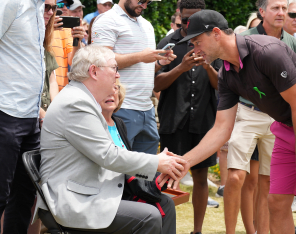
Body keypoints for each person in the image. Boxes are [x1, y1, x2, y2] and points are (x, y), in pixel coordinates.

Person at [171, 9, 296, 234]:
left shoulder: (267, 52)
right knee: (276, 202)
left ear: (215, 34)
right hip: (286, 125)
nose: (195, 50)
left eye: (196, 42)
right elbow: (221, 129)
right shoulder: (226, 74)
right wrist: (184, 162)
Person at [33, 45, 187, 233]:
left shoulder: (83, 100)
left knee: (164, 204)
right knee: (149, 216)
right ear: (94, 71)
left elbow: (109, 154)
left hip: (90, 191)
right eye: (114, 68)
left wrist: (159, 166)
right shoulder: (76, 103)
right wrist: (157, 162)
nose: (118, 75)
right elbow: (108, 156)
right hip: (74, 201)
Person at [230, 0, 296, 233]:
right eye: (276, 8)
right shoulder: (243, 39)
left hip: (277, 119)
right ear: (262, 12)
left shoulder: (294, 43)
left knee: (268, 183)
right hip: (247, 113)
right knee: (236, 178)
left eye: (285, 8)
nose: (283, 13)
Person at [154, 0, 222, 232]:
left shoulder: (214, 43)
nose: (189, 23)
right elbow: (155, 84)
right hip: (173, 120)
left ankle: (197, 230)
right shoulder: (169, 43)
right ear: (179, 15)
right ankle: (163, 228)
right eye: (185, 19)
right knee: (165, 178)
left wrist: (208, 67)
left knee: (201, 178)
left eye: (194, 18)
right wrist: (180, 68)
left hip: (203, 121)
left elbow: (220, 86)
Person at [92, 0, 176, 155]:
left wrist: (159, 63)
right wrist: (140, 57)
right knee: (117, 168)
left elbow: (144, 66)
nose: (144, 6)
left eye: (148, 2)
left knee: (144, 173)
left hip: (147, 108)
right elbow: (100, 61)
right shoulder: (107, 20)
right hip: (120, 107)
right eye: (142, 1)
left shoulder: (147, 25)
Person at [99, 82, 176, 233]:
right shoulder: (96, 125)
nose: (111, 94)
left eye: (115, 89)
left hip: (126, 188)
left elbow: (130, 160)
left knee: (167, 203)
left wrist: (159, 175)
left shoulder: (118, 123)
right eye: (106, 89)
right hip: (108, 190)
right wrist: (155, 163)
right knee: (150, 213)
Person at [0, 0, 45, 233]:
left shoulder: (38, 7)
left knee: (24, 200)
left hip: (30, 117)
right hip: (6, 113)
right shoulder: (10, 2)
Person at [53, 0, 86, 90]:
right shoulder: (38, 27)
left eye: (67, 5)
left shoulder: (66, 29)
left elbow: (72, 61)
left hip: (61, 91)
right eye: (60, 4)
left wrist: (77, 41)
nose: (64, 8)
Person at [40, 0, 60, 128]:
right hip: (26, 115)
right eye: (46, 7)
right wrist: (43, 115)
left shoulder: (45, 45)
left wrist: (54, 111)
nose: (51, 12)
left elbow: (52, 81)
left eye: (54, 7)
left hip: (47, 117)